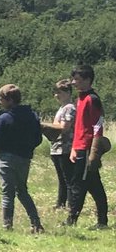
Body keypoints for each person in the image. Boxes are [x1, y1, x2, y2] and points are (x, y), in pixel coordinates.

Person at [0, 84, 44, 233]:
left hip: (6, 158)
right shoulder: (32, 116)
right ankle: (36, 223)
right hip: (25, 158)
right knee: (22, 191)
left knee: (7, 193)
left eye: (1, 99)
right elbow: (38, 139)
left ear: (10, 100)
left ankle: (7, 226)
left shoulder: (4, 118)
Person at [66, 64, 108, 230]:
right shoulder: (80, 98)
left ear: (87, 80)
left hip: (88, 149)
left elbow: (97, 126)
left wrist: (94, 154)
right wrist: (74, 148)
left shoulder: (92, 99)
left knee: (78, 186)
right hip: (80, 148)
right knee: (93, 186)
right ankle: (102, 221)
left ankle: (72, 221)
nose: (73, 82)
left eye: (77, 79)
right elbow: (79, 127)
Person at [44, 79, 76, 210]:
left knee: (68, 179)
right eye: (55, 92)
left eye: (60, 92)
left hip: (66, 147)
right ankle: (60, 204)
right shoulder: (61, 108)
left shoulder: (69, 108)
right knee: (61, 179)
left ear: (68, 92)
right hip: (57, 147)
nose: (56, 95)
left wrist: (45, 126)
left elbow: (64, 127)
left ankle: (70, 205)